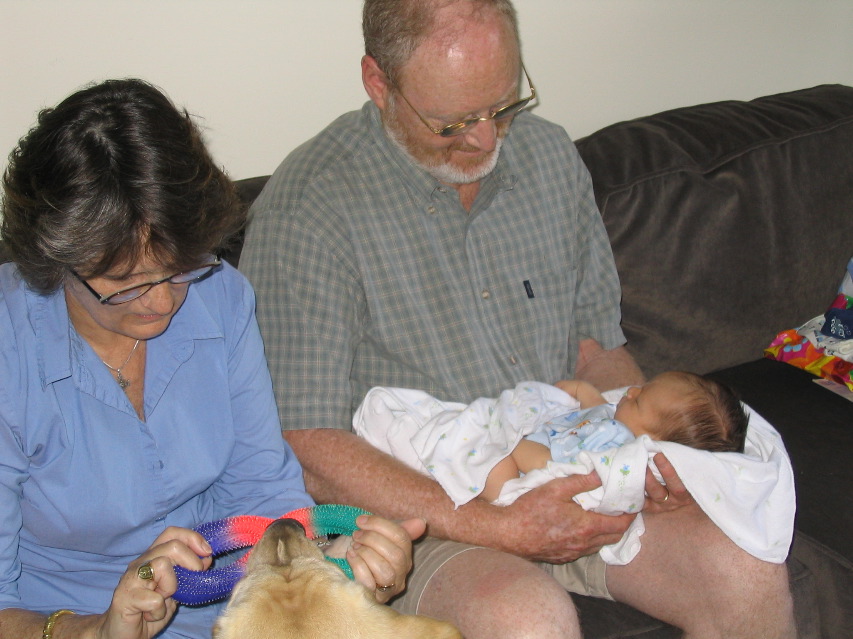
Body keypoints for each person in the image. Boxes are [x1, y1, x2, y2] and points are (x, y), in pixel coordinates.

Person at [239, 1, 796, 636]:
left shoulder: (548, 156)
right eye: (453, 122)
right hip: (423, 509)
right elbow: (307, 443)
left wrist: (649, 458)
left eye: (503, 105)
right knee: (527, 619)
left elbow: (595, 351)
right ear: (379, 83)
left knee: (747, 569)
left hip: (571, 464)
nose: (486, 140)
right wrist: (495, 523)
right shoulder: (308, 213)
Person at [0, 79, 421, 639]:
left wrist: (341, 568)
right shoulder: (12, 350)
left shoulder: (221, 297)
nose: (161, 303)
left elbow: (262, 495)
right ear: (54, 263)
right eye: (124, 283)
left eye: (180, 267)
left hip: (234, 611)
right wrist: (96, 630)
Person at [482, 372, 749, 502]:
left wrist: (511, 443)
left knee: (493, 465)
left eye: (638, 400)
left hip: (525, 475)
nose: (631, 391)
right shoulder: (619, 423)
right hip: (532, 448)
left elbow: (549, 464)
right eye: (642, 387)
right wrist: (583, 390)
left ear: (650, 442)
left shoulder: (618, 442)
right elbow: (600, 414)